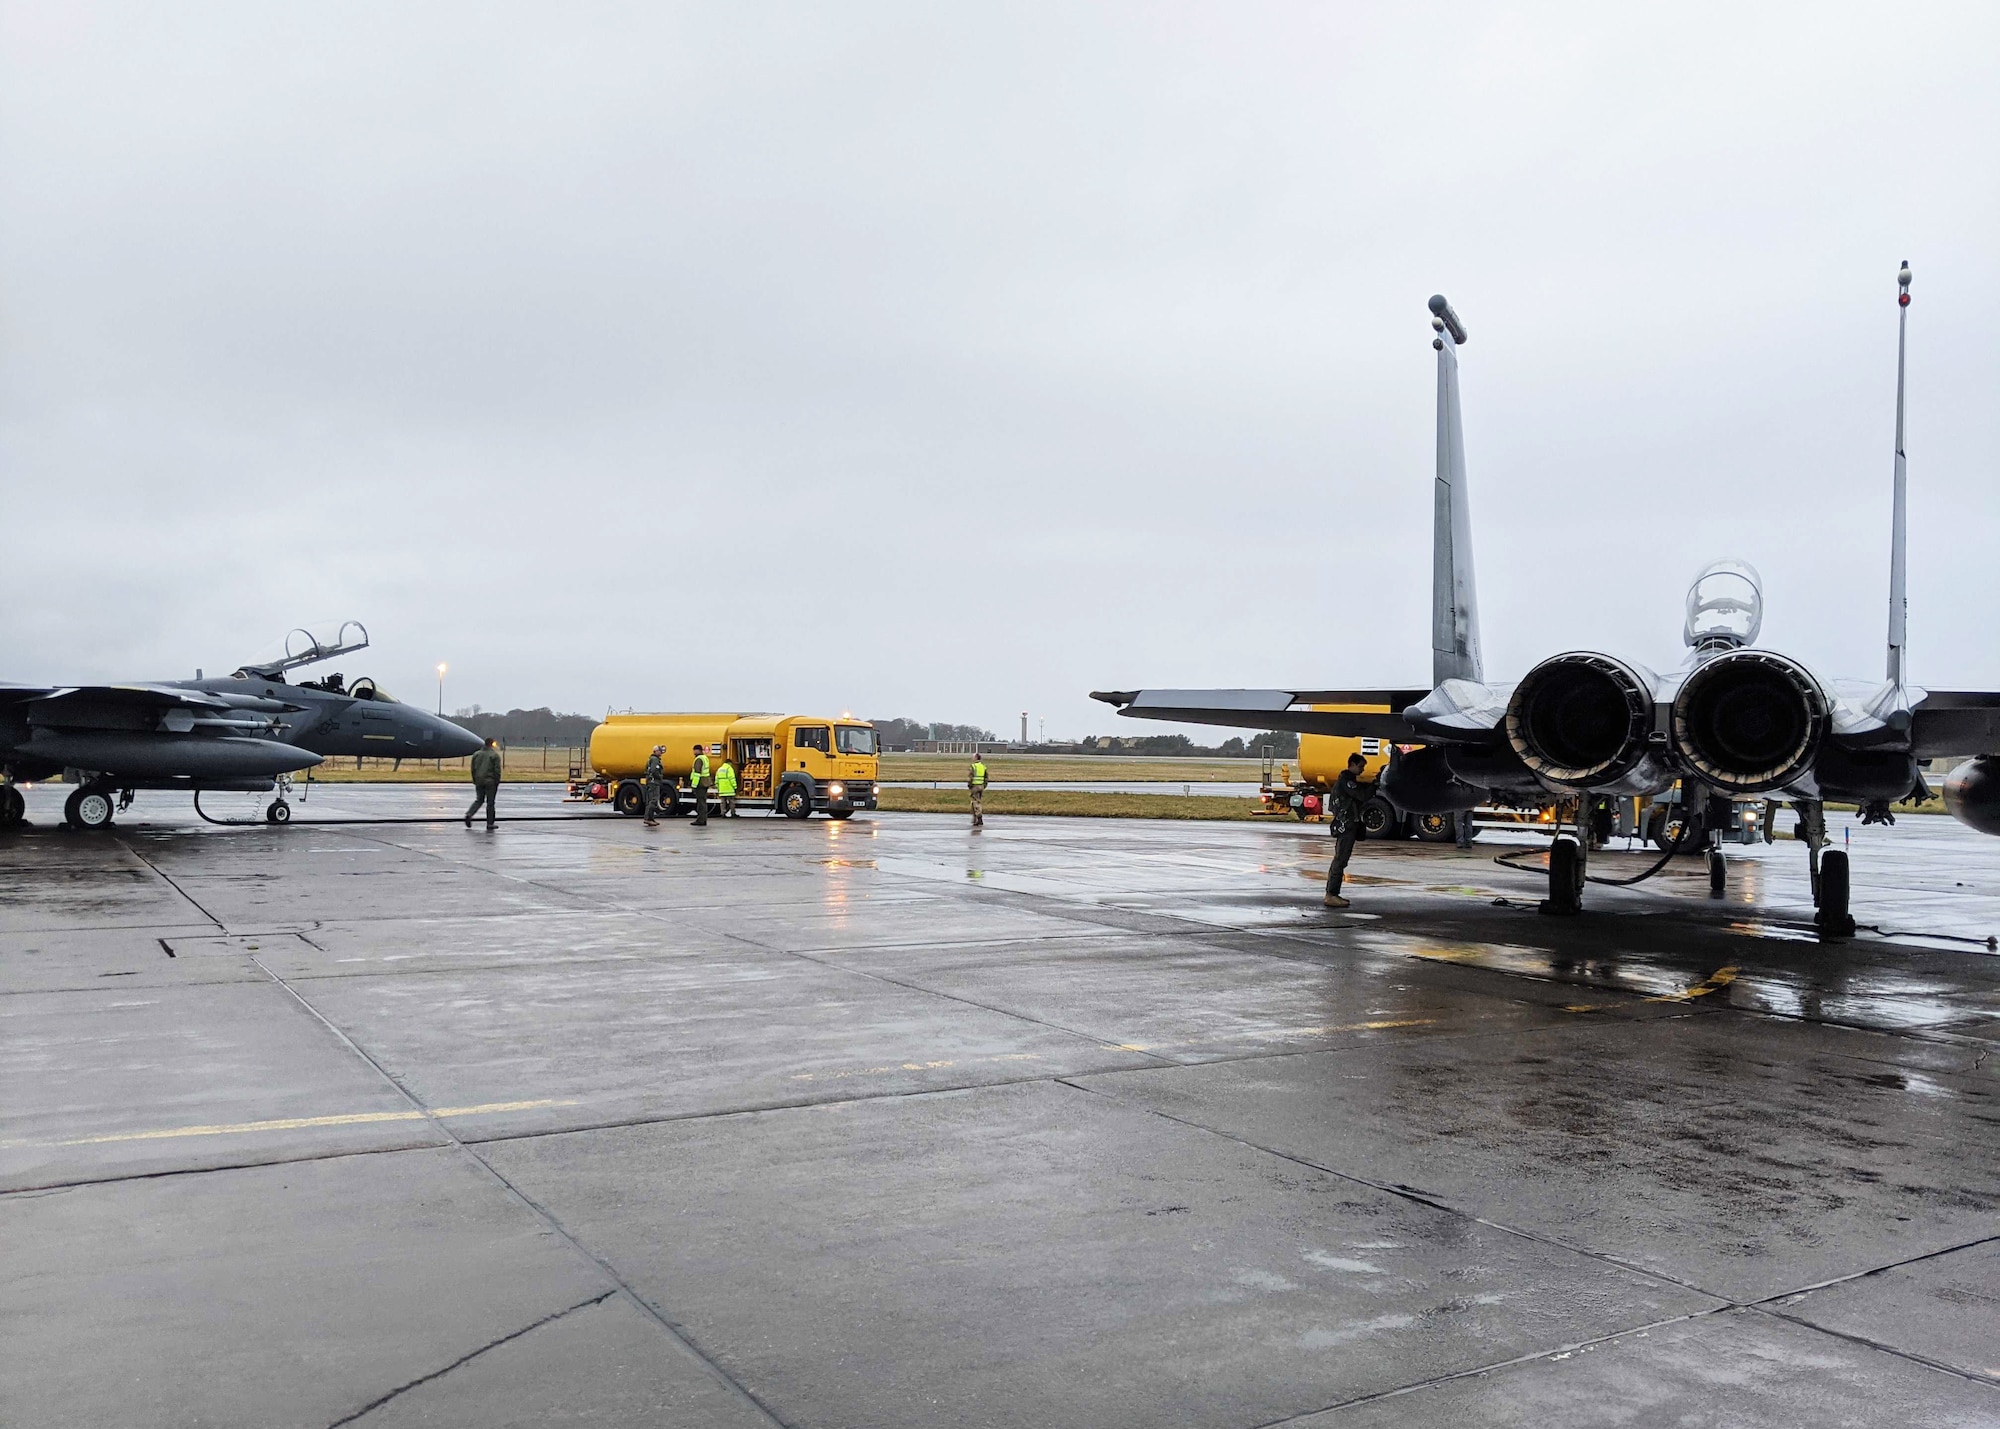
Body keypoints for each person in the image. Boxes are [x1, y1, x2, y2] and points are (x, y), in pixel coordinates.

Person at [1323, 752, 1372, 907]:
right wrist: (1374, 785)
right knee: (1340, 859)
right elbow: (1362, 795)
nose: (1362, 770)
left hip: (1348, 825)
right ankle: (1332, 894)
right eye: (1360, 766)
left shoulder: (1347, 781)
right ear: (1351, 765)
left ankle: (1332, 893)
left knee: (1341, 859)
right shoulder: (1347, 782)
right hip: (1346, 826)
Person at [465, 738, 503, 828]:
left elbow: (473, 769)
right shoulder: (494, 755)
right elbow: (497, 771)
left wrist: (475, 780)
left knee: (479, 800)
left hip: (479, 780)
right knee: (490, 803)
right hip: (490, 782)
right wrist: (497, 781)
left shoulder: (476, 754)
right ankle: (490, 823)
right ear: (491, 744)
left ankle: (469, 814)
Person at [643, 745, 667, 826]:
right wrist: (660, 777)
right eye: (659, 751)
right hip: (654, 782)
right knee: (653, 800)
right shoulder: (655, 760)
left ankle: (650, 818)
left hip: (651, 782)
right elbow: (654, 771)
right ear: (655, 751)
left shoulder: (651, 759)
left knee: (651, 800)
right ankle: (649, 818)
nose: (661, 752)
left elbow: (646, 769)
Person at [689, 743, 711, 826]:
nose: (694, 752)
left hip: (700, 783)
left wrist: (693, 786)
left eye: (694, 750)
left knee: (700, 802)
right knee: (703, 802)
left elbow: (697, 773)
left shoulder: (699, 759)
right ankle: (703, 819)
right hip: (705, 782)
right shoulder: (705, 758)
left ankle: (700, 820)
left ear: (698, 750)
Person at [968, 752, 989, 829]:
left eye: (973, 757)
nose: (972, 758)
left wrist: (970, 785)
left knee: (975, 802)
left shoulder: (973, 766)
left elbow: (971, 776)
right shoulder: (983, 766)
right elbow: (986, 777)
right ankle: (976, 818)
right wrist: (984, 785)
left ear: (976, 758)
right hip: (981, 786)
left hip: (975, 786)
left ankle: (978, 817)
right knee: (977, 801)